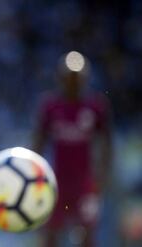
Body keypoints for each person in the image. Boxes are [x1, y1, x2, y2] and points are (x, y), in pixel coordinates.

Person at [32, 51, 112, 247]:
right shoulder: (51, 106)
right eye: (69, 77)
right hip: (55, 182)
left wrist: (101, 178)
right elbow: (39, 142)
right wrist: (34, 175)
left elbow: (106, 144)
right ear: (61, 78)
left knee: (87, 235)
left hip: (85, 184)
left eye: (77, 77)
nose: (73, 82)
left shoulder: (95, 106)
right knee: (50, 234)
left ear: (85, 78)